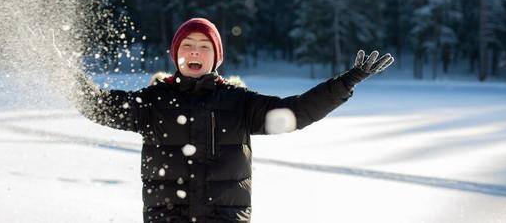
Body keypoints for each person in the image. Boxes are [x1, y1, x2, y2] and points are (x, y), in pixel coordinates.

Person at [69, 18, 393, 223]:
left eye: (203, 47)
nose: (195, 52)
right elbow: (98, 105)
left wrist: (345, 83)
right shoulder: (154, 102)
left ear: (216, 57)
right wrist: (63, 73)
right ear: (175, 54)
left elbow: (296, 113)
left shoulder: (239, 103)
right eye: (187, 46)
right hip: (168, 217)